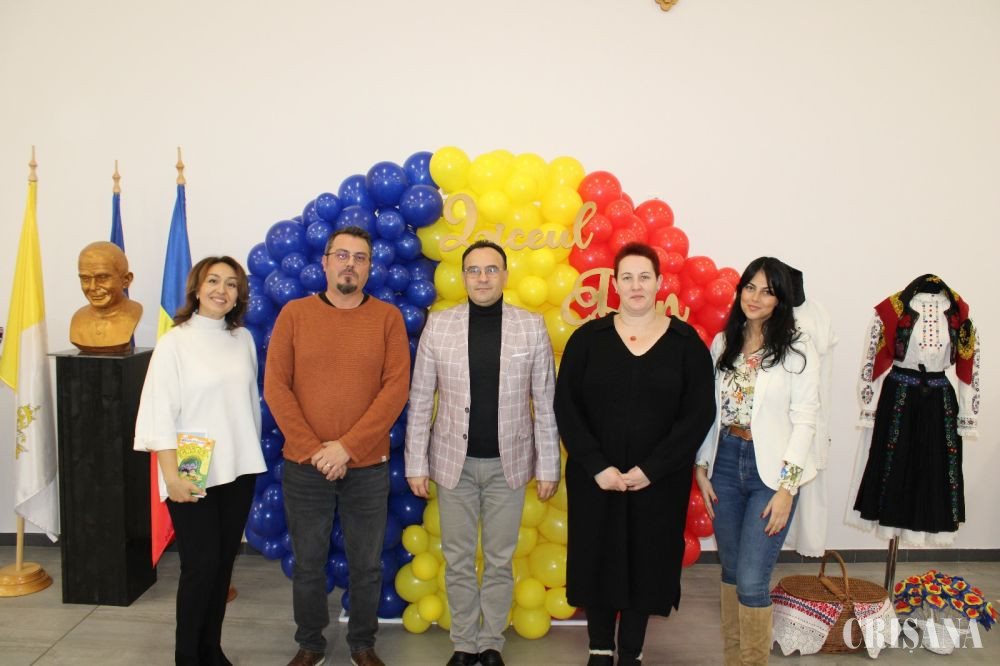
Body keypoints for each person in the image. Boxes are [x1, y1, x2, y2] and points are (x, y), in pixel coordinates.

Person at [554, 243, 716, 666]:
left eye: (645, 276)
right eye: (627, 277)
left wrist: (653, 469)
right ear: (615, 284)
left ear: (659, 282)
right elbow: (566, 407)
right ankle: (599, 650)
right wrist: (597, 465)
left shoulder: (686, 344)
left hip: (659, 482)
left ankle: (631, 652)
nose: (636, 285)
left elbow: (698, 414)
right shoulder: (587, 340)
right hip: (597, 479)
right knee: (598, 557)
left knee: (647, 560)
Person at [405, 240, 560, 666]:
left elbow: (545, 402)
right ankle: (463, 644)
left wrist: (549, 465)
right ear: (463, 277)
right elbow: (421, 399)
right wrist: (416, 463)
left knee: (498, 560)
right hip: (452, 464)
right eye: (474, 270)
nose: (483, 278)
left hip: (508, 465)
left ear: (505, 276)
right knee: (456, 559)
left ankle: (491, 642)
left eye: (491, 269)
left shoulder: (530, 326)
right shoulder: (440, 325)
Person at [264, 226, 410, 666]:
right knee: (308, 563)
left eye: (360, 258)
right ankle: (310, 644)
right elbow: (276, 388)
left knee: (366, 564)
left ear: (369, 268)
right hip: (305, 465)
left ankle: (362, 644)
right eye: (342, 255)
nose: (350, 264)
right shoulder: (294, 314)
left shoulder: (387, 318)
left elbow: (395, 391)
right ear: (325, 262)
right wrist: (316, 451)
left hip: (366, 465)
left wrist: (345, 448)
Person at [134, 256, 265, 665]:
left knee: (223, 566)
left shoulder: (242, 339)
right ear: (196, 288)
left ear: (238, 295)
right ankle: (187, 656)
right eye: (213, 281)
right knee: (200, 566)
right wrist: (171, 477)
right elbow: (158, 411)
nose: (221, 290)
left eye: (231, 284)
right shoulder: (175, 342)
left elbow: (249, 405)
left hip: (238, 467)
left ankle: (212, 649)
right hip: (193, 465)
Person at [694, 257, 820, 666]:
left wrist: (788, 488)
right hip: (725, 463)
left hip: (772, 472)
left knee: (751, 581)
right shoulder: (723, 343)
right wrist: (701, 466)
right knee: (731, 572)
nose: (755, 297)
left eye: (768, 291)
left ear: (781, 299)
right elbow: (710, 411)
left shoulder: (798, 349)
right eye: (750, 287)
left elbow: (805, 420)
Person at [71, 240, 143, 352]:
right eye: (85, 279)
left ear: (126, 280)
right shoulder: (78, 320)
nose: (92, 287)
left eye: (102, 277)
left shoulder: (133, 314)